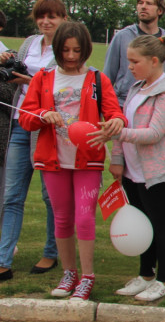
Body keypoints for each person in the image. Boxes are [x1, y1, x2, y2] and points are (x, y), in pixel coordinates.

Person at [21, 21, 125, 300]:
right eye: (65, 50)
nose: (70, 56)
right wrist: (43, 114)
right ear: (57, 49)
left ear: (86, 49)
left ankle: (87, 276)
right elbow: (25, 118)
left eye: (77, 50)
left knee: (84, 218)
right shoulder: (42, 78)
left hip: (87, 160)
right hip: (53, 161)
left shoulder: (98, 79)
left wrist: (115, 122)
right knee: (62, 218)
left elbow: (115, 113)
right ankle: (69, 273)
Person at [106, 35, 165, 302]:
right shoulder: (135, 88)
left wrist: (116, 133)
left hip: (158, 170)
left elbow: (153, 133)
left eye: (134, 61)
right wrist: (117, 159)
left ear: (154, 61)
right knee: (143, 223)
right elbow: (122, 122)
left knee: (161, 224)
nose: (129, 67)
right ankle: (145, 275)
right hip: (132, 169)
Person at [0, 0, 65, 281]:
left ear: (63, 18)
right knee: (12, 196)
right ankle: (3, 258)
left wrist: (27, 80)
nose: (45, 21)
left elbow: (63, 84)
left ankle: (51, 252)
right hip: (18, 123)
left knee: (49, 196)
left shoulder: (66, 46)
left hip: (47, 127)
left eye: (52, 16)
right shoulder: (28, 43)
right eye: (41, 16)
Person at [103, 0, 165, 106]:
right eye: (140, 3)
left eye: (149, 3)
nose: (143, 6)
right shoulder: (122, 37)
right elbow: (107, 77)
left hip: (158, 108)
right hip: (124, 106)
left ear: (160, 10)